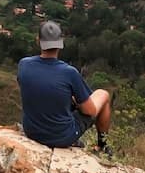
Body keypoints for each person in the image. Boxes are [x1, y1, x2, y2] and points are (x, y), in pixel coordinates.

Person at [17, 20, 113, 156]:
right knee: (103, 94)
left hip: (32, 131)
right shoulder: (69, 73)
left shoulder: (24, 64)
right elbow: (90, 111)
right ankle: (103, 146)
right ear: (61, 42)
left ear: (38, 40)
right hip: (61, 137)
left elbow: (37, 89)